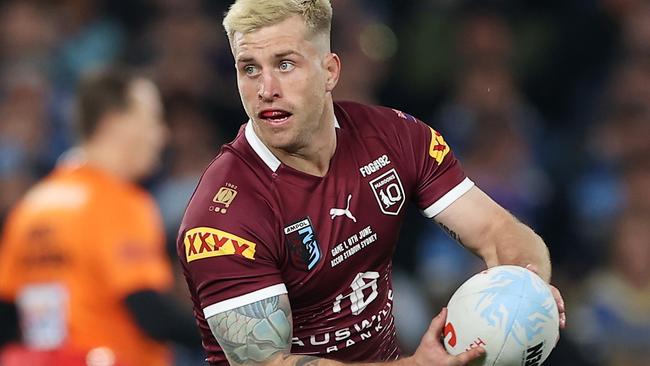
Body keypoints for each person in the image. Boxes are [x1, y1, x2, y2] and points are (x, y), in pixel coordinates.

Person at [177, 1, 566, 365]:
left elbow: (496, 229)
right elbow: (272, 364)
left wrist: (525, 287)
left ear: (329, 71)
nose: (266, 89)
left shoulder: (393, 137)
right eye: (249, 68)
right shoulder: (220, 219)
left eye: (285, 64)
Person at [0, 68, 200, 366]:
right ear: (115, 123)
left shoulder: (31, 207)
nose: (163, 135)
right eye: (154, 120)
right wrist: (233, 336)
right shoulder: (119, 203)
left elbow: (7, 315)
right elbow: (149, 314)